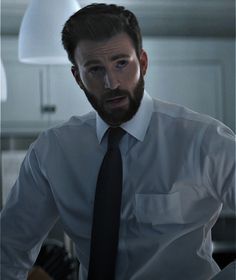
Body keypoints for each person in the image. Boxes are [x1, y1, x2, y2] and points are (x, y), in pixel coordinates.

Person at [1, 3, 235, 280]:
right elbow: (8, 251)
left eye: (121, 63)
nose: (111, 82)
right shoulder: (52, 152)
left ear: (143, 63)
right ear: (78, 77)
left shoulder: (205, 140)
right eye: (95, 69)